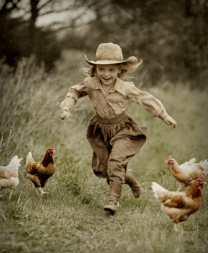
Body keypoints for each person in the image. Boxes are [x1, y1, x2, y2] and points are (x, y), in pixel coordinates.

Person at [60, 43, 177, 215]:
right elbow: (73, 92)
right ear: (95, 69)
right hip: (100, 130)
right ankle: (129, 178)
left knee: (115, 163)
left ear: (119, 71)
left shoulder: (126, 87)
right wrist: (65, 108)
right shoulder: (90, 83)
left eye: (111, 70)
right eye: (101, 69)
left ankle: (112, 202)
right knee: (104, 169)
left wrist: (164, 115)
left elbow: (145, 99)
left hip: (123, 129)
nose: (106, 74)